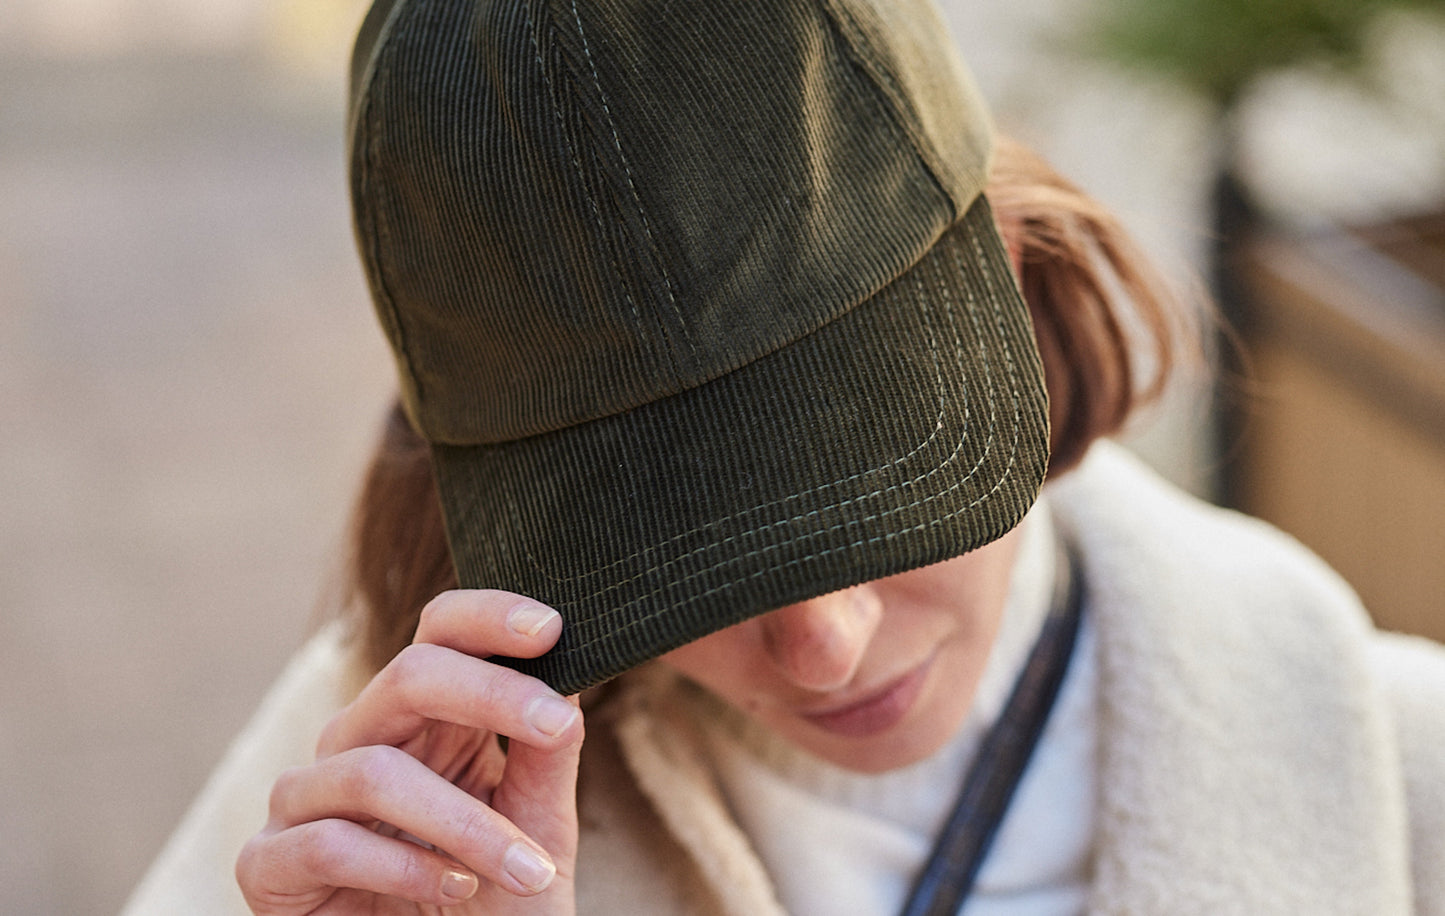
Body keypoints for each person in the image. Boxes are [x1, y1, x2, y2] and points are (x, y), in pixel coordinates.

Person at [123, 0, 1445, 913]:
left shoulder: (1400, 776)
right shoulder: (377, 808)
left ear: (1015, 274)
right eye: (681, 552)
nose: (823, 646)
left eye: (879, 482)